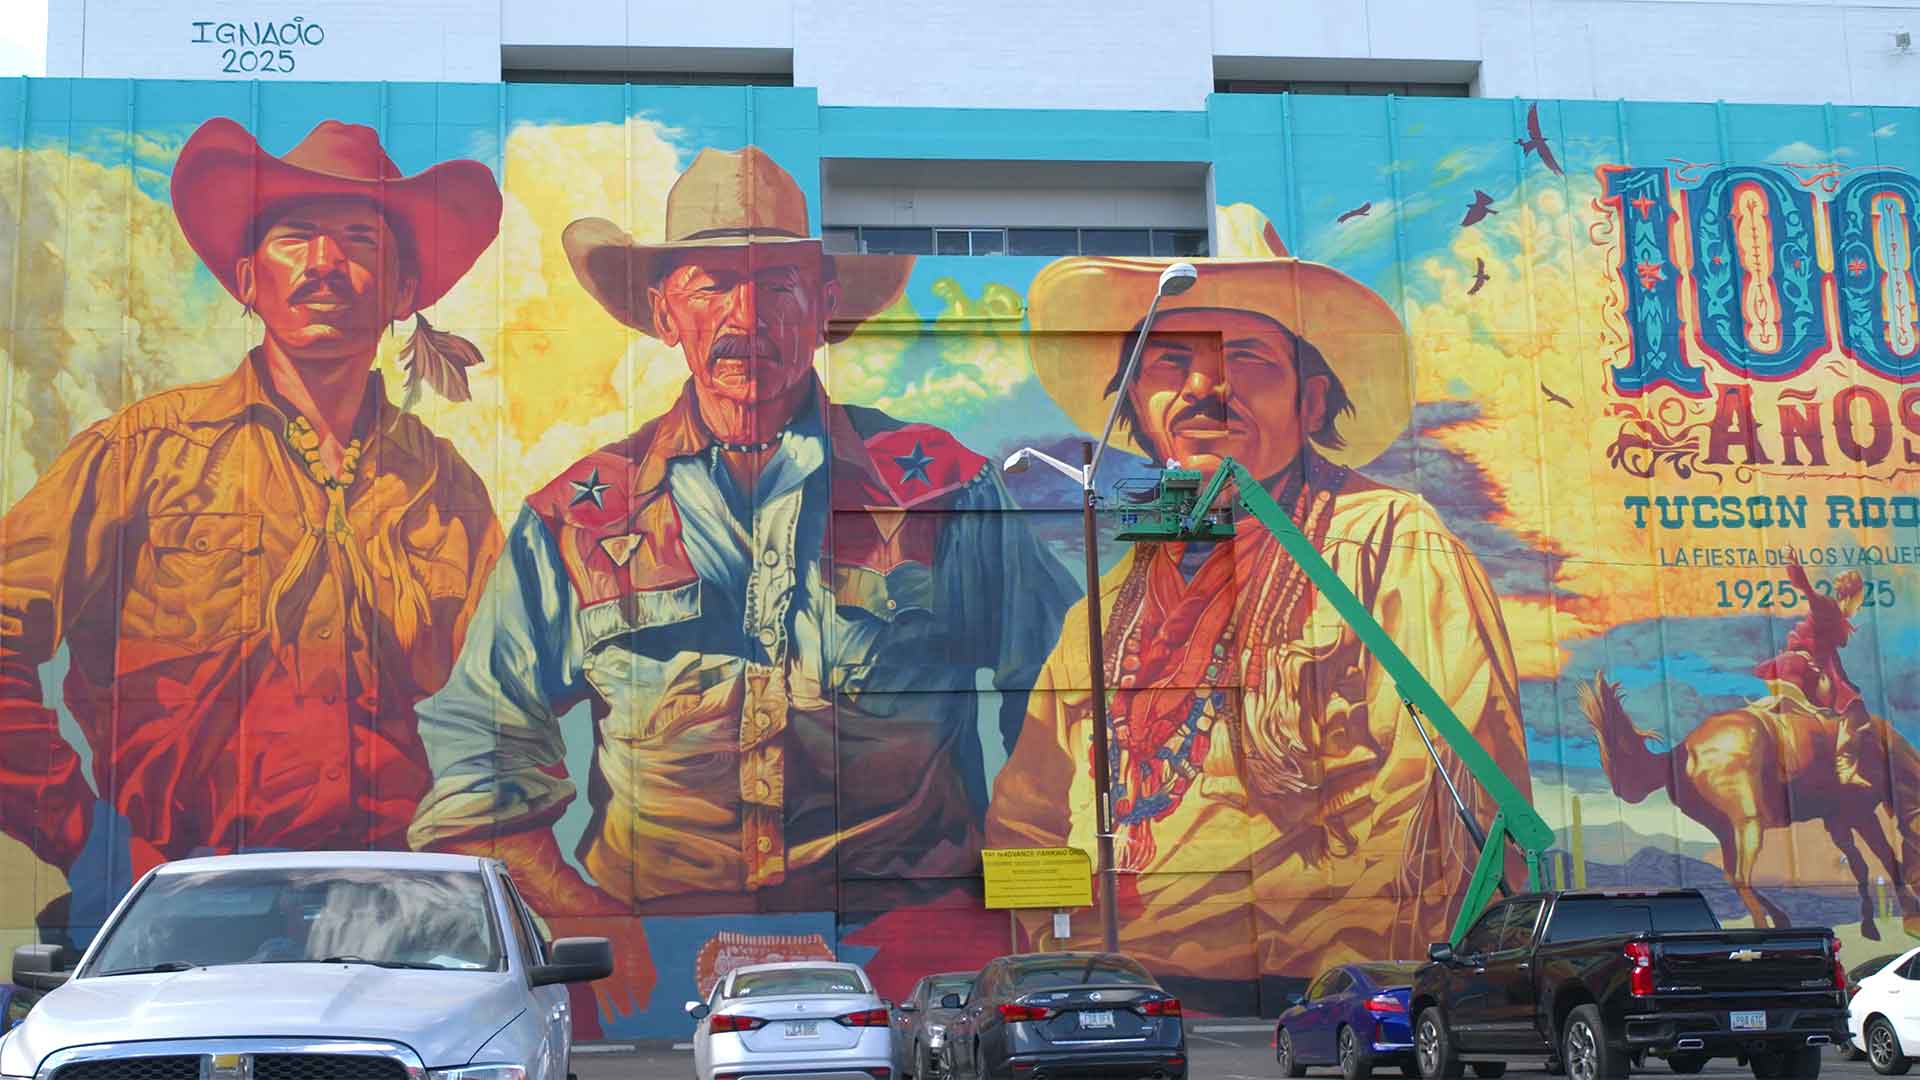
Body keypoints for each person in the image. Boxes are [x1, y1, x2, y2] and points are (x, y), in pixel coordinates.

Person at [407, 146, 1076, 1018]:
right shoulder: (576, 518)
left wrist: (995, 912)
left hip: (907, 946)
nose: (746, 314)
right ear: (663, 314)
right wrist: (586, 922)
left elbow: (1073, 702)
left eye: (781, 286)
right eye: (712, 284)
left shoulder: (946, 491)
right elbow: (477, 741)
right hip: (650, 956)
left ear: (826, 306)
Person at [0, 118, 504, 935]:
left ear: (404, 291)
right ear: (245, 280)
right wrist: (87, 841)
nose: (324, 266)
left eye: (357, 240)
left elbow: (501, 717)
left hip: (397, 915)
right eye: (294, 237)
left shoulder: (447, 492)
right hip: (180, 904)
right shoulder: (141, 455)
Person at [986, 254, 1532, 1003]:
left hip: (1317, 982)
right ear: (1139, 406)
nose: (1205, 388)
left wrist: (1352, 967)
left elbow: (1437, 794)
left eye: (1245, 358)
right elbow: (1029, 813)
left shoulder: (1388, 540)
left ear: (1311, 402)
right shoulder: (1109, 604)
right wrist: (1057, 937)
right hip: (1119, 983)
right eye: (1169, 363)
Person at [1758, 561, 1876, 788]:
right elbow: (1809, 592)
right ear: (1850, 597)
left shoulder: (1837, 618)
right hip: (1803, 669)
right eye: (1860, 602)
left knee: (1847, 702)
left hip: (1809, 668)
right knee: (1856, 709)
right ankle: (1845, 767)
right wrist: (1795, 568)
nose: (1859, 609)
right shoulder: (1828, 608)